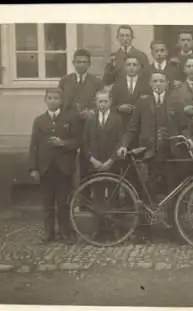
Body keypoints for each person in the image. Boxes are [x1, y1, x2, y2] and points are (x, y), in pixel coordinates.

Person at [118, 72, 185, 199]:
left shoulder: (175, 102)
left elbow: (184, 126)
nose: (158, 84)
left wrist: (189, 139)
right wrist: (124, 145)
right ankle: (147, 217)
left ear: (167, 84)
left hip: (170, 154)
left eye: (161, 81)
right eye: (155, 81)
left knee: (172, 191)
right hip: (149, 154)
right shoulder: (142, 102)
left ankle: (171, 217)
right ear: (150, 84)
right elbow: (132, 128)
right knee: (148, 191)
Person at [28, 88, 80, 244]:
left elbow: (77, 141)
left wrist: (63, 143)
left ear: (61, 101)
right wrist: (33, 168)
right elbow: (34, 145)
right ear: (45, 100)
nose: (53, 101)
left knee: (63, 203)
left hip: (63, 168)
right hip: (45, 169)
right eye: (50, 98)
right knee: (47, 204)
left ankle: (65, 233)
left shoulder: (69, 119)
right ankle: (48, 233)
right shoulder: (39, 120)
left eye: (56, 98)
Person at [81, 89, 125, 241]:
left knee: (113, 196)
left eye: (105, 101)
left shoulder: (117, 119)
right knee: (98, 197)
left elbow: (120, 141)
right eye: (100, 101)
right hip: (95, 164)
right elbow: (85, 143)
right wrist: (92, 159)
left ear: (110, 102)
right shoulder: (90, 120)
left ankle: (113, 230)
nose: (103, 104)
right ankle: (98, 230)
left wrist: (111, 160)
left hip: (111, 164)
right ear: (96, 102)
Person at [58, 48, 104, 186]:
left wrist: (92, 111)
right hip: (70, 129)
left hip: (89, 128)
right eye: (78, 62)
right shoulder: (65, 81)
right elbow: (60, 104)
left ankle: (86, 198)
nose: (81, 65)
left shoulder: (96, 82)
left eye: (84, 62)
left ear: (89, 64)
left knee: (87, 162)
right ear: (73, 63)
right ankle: (71, 199)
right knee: (68, 164)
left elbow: (102, 103)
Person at [110, 54, 151, 147]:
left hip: (140, 128)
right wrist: (119, 108)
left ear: (139, 67)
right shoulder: (117, 85)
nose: (131, 68)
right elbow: (110, 106)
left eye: (134, 65)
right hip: (122, 127)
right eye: (128, 65)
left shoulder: (146, 84)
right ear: (124, 67)